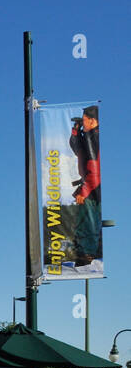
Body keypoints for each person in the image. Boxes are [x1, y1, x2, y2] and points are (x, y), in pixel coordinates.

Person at [69, 106, 101, 264]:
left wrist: (84, 191)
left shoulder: (95, 139)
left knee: (87, 220)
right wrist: (76, 132)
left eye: (84, 120)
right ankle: (84, 254)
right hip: (89, 185)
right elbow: (77, 149)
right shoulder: (88, 136)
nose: (83, 122)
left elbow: (95, 172)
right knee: (84, 220)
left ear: (93, 121)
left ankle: (86, 256)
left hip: (92, 187)